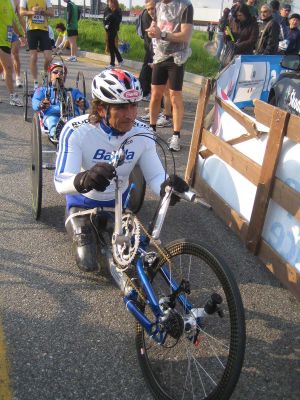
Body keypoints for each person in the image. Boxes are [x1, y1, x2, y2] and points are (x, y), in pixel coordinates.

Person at [54, 68, 188, 272]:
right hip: (81, 203)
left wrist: (167, 186)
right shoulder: (76, 131)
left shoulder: (142, 133)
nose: (131, 115)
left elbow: (155, 175)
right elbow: (60, 181)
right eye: (122, 108)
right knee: (87, 262)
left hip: (118, 205)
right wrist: (84, 179)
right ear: (101, 109)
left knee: (133, 264)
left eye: (134, 106)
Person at [146, 0, 194, 152]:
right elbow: (156, 25)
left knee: (174, 96)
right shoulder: (159, 5)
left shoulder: (185, 6)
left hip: (176, 56)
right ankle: (152, 131)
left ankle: (176, 136)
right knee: (155, 95)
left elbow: (185, 35)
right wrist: (152, 30)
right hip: (160, 55)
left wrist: (163, 34)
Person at [31, 60, 88, 143]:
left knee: (74, 123)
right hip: (51, 114)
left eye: (62, 73)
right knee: (52, 121)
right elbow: (35, 100)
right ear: (50, 75)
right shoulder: (43, 90)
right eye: (55, 72)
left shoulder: (73, 91)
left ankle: (74, 136)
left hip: (71, 115)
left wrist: (82, 102)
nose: (59, 74)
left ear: (64, 77)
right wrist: (41, 104)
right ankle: (55, 133)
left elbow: (84, 102)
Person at [19, 0, 54, 89]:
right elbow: (21, 12)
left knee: (48, 58)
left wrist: (42, 12)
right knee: (34, 57)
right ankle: (35, 82)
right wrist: (32, 12)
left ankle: (45, 74)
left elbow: (52, 13)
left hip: (44, 30)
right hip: (31, 30)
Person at [0, 0, 24, 106]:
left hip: (6, 40)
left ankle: (12, 97)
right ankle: (13, 95)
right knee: (8, 67)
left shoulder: (10, 3)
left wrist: (20, 35)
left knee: (7, 68)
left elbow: (13, 22)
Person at [103, 0, 123, 69]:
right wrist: (106, 24)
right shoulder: (107, 9)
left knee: (111, 46)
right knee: (112, 46)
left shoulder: (118, 11)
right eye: (108, 2)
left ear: (114, 3)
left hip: (113, 30)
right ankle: (120, 60)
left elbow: (118, 20)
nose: (109, 3)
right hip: (107, 30)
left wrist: (111, 16)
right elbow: (104, 19)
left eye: (111, 2)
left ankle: (112, 63)